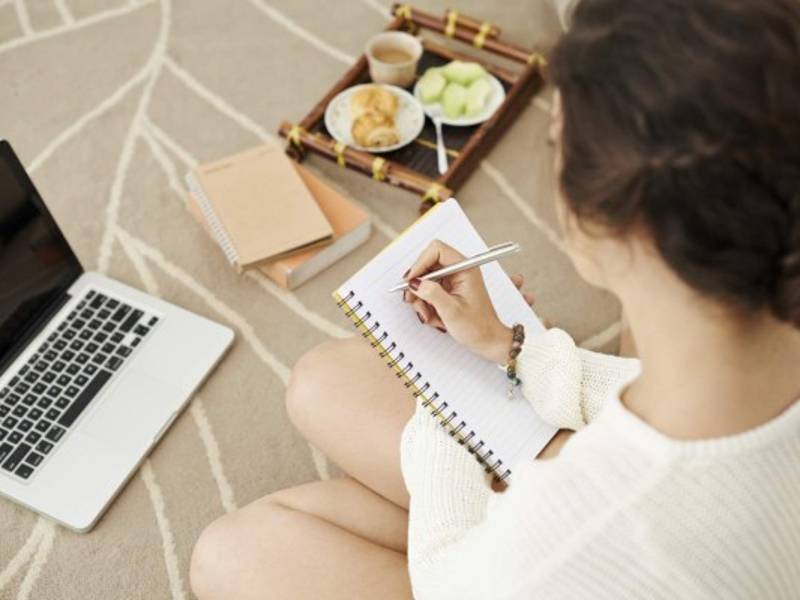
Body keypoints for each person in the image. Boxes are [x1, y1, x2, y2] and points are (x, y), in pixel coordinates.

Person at [189, 0, 800, 597]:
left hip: (557, 564)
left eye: (555, 142)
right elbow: (648, 388)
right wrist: (515, 348)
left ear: (609, 219)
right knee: (323, 381)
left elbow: (445, 581)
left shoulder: (576, 531)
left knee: (231, 555)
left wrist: (440, 398)